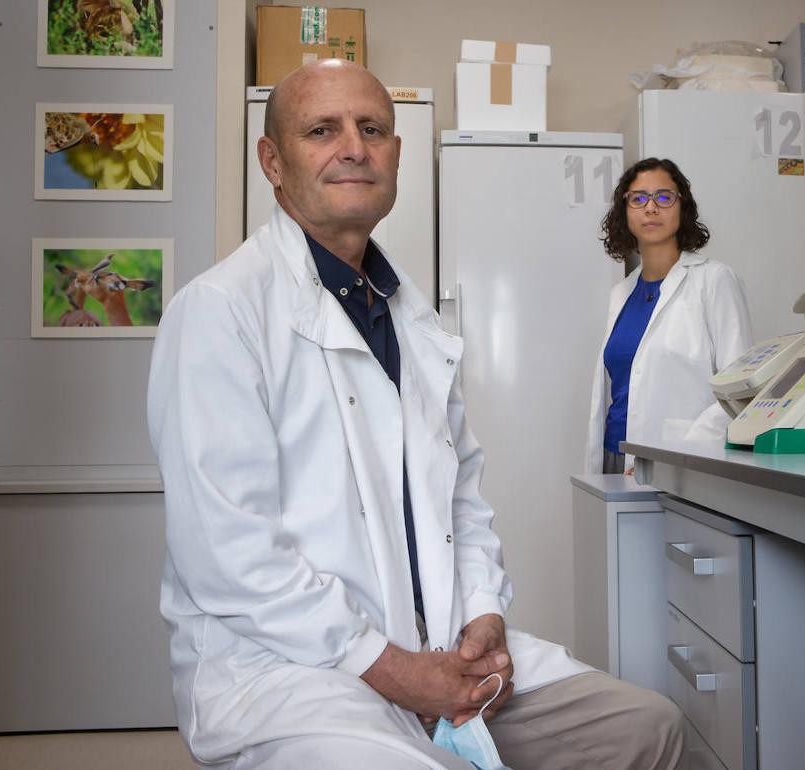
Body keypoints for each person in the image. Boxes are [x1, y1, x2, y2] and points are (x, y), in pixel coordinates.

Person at [148, 60, 681, 770]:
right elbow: (229, 557)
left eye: (373, 129)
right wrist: (398, 670)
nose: (354, 147)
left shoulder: (412, 318)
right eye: (321, 130)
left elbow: (462, 497)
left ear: (396, 154)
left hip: (438, 646)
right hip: (290, 672)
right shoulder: (219, 313)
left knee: (647, 727)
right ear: (272, 162)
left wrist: (484, 613)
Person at [584, 158, 752, 474]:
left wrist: (678, 455)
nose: (651, 208)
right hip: (615, 455)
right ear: (625, 211)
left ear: (682, 207)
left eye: (664, 197)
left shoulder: (714, 280)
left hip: (676, 461)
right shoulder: (621, 293)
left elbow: (739, 390)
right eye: (638, 198)